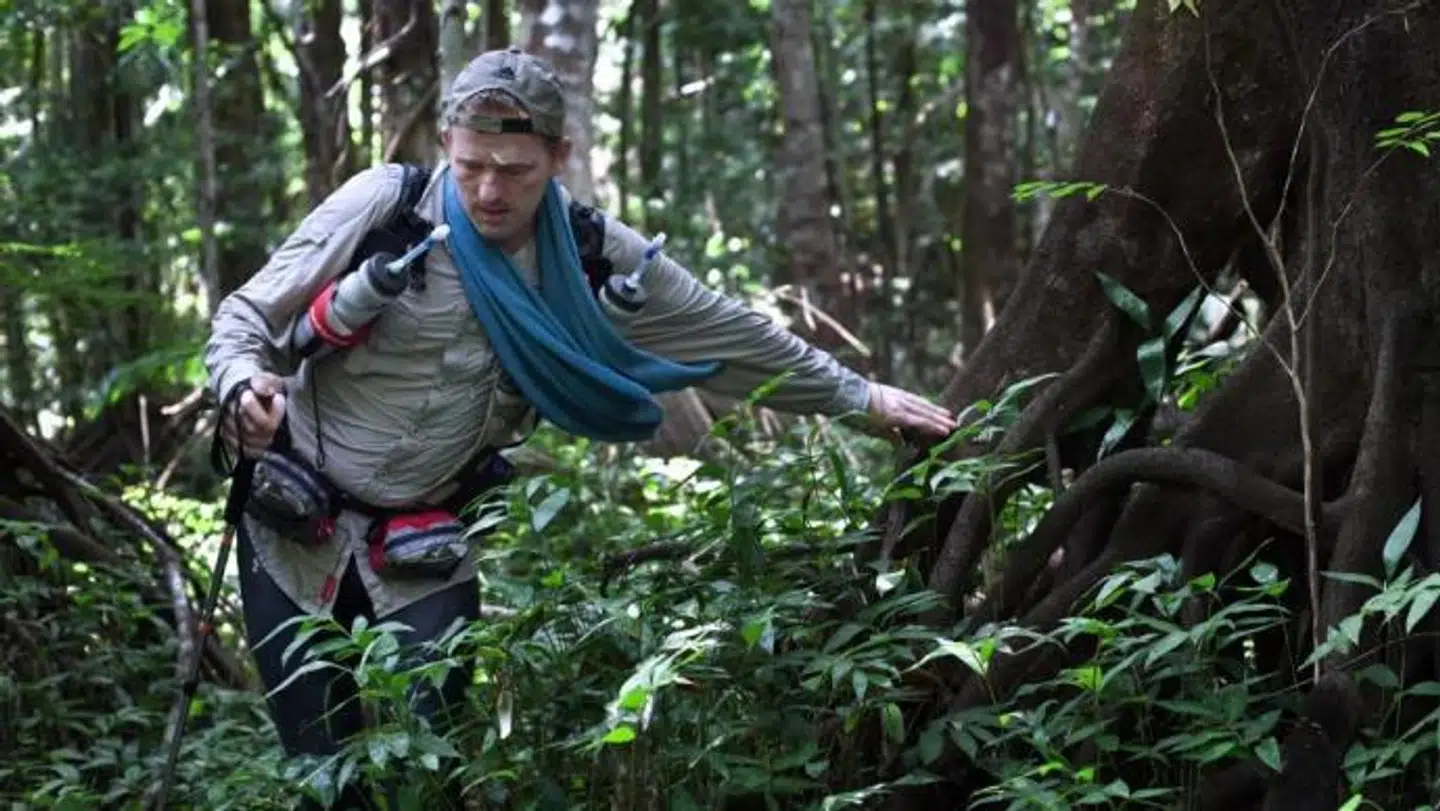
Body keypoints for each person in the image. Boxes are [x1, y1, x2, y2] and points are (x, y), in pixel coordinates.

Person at [204, 46, 955, 809]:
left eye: (516, 170)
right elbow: (245, 317)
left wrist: (862, 397)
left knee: (424, 773)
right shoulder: (384, 206)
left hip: (421, 544)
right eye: (471, 166)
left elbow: (723, 333)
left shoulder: (591, 252)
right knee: (321, 777)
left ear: (558, 157)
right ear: (445, 146)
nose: (489, 190)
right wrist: (240, 388)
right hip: (294, 527)